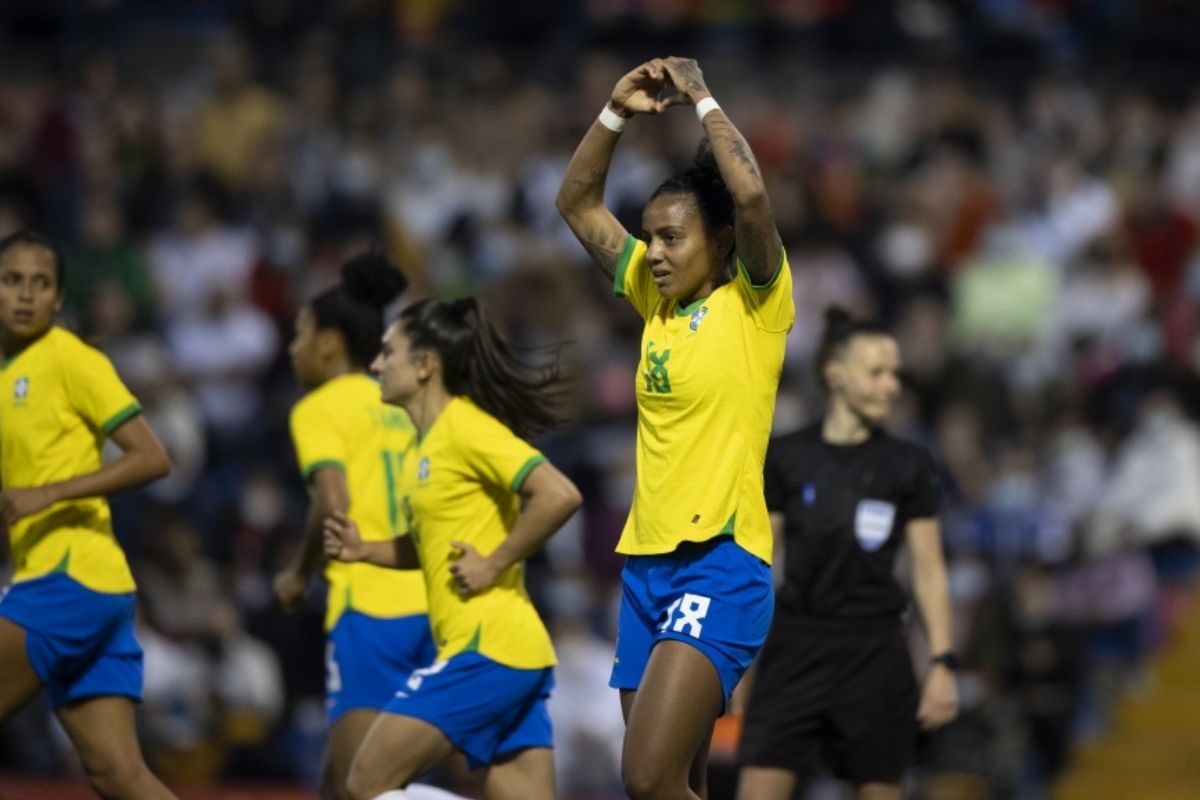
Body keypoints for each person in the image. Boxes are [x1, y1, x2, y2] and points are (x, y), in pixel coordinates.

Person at [556, 57, 795, 800]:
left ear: (719, 244)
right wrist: (615, 112)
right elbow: (575, 202)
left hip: (720, 562)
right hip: (646, 568)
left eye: (673, 239)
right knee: (674, 785)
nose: (654, 253)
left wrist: (701, 97)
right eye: (650, 238)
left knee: (647, 776)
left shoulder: (756, 305)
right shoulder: (652, 300)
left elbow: (750, 194)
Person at [323, 297, 582, 800]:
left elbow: (558, 494)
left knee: (363, 784)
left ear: (425, 364)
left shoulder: (466, 427)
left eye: (387, 352)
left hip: (485, 651)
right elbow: (431, 546)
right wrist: (365, 549)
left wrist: (495, 562)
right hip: (512, 656)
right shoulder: (424, 445)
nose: (375, 365)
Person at [736, 307, 959, 800]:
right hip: (795, 646)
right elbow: (760, 562)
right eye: (876, 372)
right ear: (835, 375)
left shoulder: (910, 463)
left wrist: (942, 663)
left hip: (876, 652)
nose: (891, 386)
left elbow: (927, 570)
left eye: (895, 374)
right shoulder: (787, 456)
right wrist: (738, 658)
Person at [0, 230, 177, 799]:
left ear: (58, 298)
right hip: (92, 590)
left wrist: (51, 494)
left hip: (68, 579)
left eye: (41, 283)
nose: (25, 294)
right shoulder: (8, 375)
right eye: (12, 280)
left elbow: (152, 456)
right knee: (120, 777)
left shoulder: (72, 358)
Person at [272, 252, 438, 800]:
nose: (292, 348)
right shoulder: (405, 399)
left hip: (369, 611)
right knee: (345, 781)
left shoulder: (318, 407)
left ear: (328, 342)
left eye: (299, 334)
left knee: (361, 789)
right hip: (433, 604)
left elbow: (332, 502)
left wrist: (298, 574)